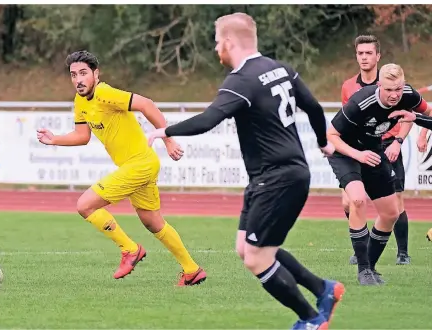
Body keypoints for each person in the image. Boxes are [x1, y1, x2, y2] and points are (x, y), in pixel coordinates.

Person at [147, 12, 344, 330]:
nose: (215, 50)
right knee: (246, 248)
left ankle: (310, 321)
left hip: (277, 178)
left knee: (256, 258)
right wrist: (323, 142)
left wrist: (164, 130)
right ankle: (324, 290)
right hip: (276, 176)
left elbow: (209, 119)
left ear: (228, 42)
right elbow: (314, 107)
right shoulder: (280, 69)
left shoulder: (241, 80)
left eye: (216, 43)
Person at [36, 50, 206, 286]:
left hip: (140, 164)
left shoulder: (105, 93)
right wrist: (54, 139)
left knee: (85, 205)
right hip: (139, 165)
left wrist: (168, 138)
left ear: (96, 74)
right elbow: (82, 135)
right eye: (73, 75)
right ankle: (192, 270)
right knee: (152, 221)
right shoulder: (80, 102)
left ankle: (130, 249)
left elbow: (146, 104)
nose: (78, 80)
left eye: (83, 73)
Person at [327, 63, 431, 286]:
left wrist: (414, 126)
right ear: (379, 85)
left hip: (373, 152)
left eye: (398, 89)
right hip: (345, 153)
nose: (394, 95)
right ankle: (363, 270)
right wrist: (359, 154)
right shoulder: (361, 102)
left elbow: (426, 113)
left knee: (391, 213)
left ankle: (371, 268)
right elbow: (331, 135)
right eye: (389, 90)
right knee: (356, 198)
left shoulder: (409, 96)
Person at [340, 35, 413, 266]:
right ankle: (362, 250)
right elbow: (343, 123)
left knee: (396, 203)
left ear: (378, 56)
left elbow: (411, 114)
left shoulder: (392, 83)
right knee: (349, 202)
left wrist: (398, 141)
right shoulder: (348, 86)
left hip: (388, 146)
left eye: (369, 53)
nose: (364, 57)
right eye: (360, 53)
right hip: (359, 149)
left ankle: (402, 253)